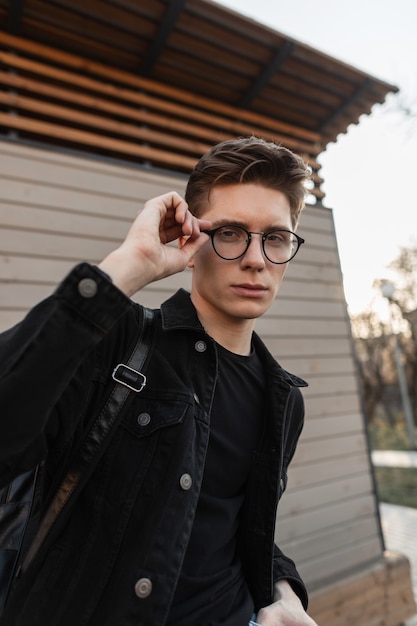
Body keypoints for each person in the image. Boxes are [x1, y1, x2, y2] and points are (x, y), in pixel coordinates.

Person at [0, 136, 318, 626]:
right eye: (231, 232)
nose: (256, 258)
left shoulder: (285, 399)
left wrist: (283, 591)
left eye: (274, 238)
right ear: (192, 238)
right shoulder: (120, 338)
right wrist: (130, 264)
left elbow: (233, 522)